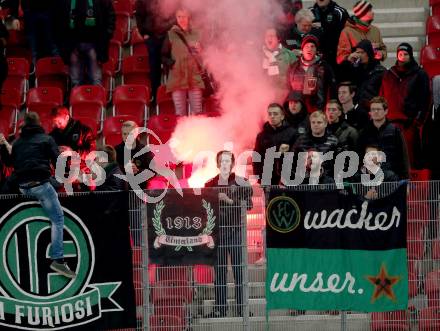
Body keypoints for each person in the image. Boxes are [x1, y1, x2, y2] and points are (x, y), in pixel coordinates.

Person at [9, 112, 76, 278]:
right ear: (39, 123)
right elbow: (59, 163)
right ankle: (58, 260)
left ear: (24, 125)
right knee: (57, 218)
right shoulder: (46, 139)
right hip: (41, 186)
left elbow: (11, 164)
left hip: (23, 188)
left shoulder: (17, 142)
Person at [204, 150, 253, 318]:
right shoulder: (209, 184)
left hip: (236, 231)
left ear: (232, 163)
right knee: (220, 272)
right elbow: (204, 209)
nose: (224, 164)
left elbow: (249, 206)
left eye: (227, 161)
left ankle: (241, 308)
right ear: (217, 164)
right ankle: (220, 308)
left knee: (239, 271)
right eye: (221, 161)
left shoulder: (242, 183)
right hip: (218, 233)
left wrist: (230, 200)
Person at [380, 43, 430, 169]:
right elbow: (382, 97)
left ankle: (411, 186)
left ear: (411, 55)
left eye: (405, 54)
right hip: (390, 122)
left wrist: (417, 121)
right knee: (390, 158)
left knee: (409, 159)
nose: (402, 57)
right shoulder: (389, 74)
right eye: (400, 54)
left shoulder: (419, 74)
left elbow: (425, 100)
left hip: (408, 125)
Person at [53, 0, 115, 87]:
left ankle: (96, 99)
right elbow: (58, 19)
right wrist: (65, 46)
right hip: (72, 46)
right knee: (76, 82)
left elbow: (110, 16)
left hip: (95, 45)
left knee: (95, 80)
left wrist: (107, 35)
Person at [162, 7, 204, 116]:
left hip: (194, 76)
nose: (181, 19)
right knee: (180, 114)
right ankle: (183, 133)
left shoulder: (196, 33)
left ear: (188, 17)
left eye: (183, 16)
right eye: (179, 16)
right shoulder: (170, 34)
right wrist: (172, 64)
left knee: (197, 113)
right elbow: (163, 55)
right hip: (177, 77)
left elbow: (204, 55)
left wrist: (201, 51)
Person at [358, 96, 410, 180]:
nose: (375, 112)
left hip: (391, 175)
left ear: (386, 111)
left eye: (378, 109)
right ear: (370, 112)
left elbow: (403, 156)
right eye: (373, 109)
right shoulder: (364, 132)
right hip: (370, 175)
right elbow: (359, 155)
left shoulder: (395, 130)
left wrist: (406, 178)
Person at [135, 0, 174, 104]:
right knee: (154, 67)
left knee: (171, 65)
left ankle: (172, 95)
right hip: (152, 36)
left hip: (169, 34)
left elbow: (176, 12)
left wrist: (174, 30)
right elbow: (139, 15)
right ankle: (156, 96)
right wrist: (143, 33)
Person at [287, 35, 336, 112]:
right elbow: (288, 88)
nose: (309, 49)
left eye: (312, 46)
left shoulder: (323, 66)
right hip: (297, 110)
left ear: (316, 50)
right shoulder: (294, 67)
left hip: (318, 110)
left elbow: (331, 89)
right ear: (302, 50)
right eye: (306, 46)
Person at [253, 103, 297, 185]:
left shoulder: (292, 133)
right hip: (267, 179)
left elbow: (297, 155)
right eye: (270, 114)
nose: (272, 116)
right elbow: (256, 158)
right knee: (271, 198)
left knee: (287, 198)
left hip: (289, 178)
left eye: (275, 114)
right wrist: (259, 178)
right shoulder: (261, 136)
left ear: (282, 116)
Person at [338, 39, 385, 113]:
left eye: (362, 52)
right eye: (357, 52)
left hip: (372, 110)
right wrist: (348, 61)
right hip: (356, 109)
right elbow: (340, 78)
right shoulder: (356, 68)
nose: (359, 55)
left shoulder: (379, 71)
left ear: (369, 53)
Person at [336, 0, 386, 65]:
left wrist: (380, 54)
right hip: (356, 72)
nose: (373, 13)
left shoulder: (376, 30)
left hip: (374, 70)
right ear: (362, 13)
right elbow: (341, 57)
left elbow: (383, 50)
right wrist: (352, 57)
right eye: (370, 10)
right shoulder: (347, 32)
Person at [292, 110, 338, 175]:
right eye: (313, 122)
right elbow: (292, 161)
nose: (315, 125)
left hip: (326, 180)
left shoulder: (333, 141)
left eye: (319, 122)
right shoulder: (301, 140)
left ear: (325, 124)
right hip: (304, 179)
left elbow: (336, 164)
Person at [115, 120, 155, 189]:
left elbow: (153, 172)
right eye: (124, 134)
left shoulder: (145, 151)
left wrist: (138, 170)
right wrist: (124, 169)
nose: (127, 137)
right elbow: (111, 172)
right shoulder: (116, 151)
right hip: (121, 190)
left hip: (141, 189)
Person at [309, 0, 348, 69]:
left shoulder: (340, 12)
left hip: (335, 61)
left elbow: (347, 36)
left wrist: (324, 26)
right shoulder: (309, 12)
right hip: (313, 61)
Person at [262, 27, 296, 100]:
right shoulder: (259, 55)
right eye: (266, 36)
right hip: (262, 95)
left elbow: (295, 78)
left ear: (278, 39)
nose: (268, 38)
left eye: (271, 36)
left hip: (283, 96)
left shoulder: (289, 55)